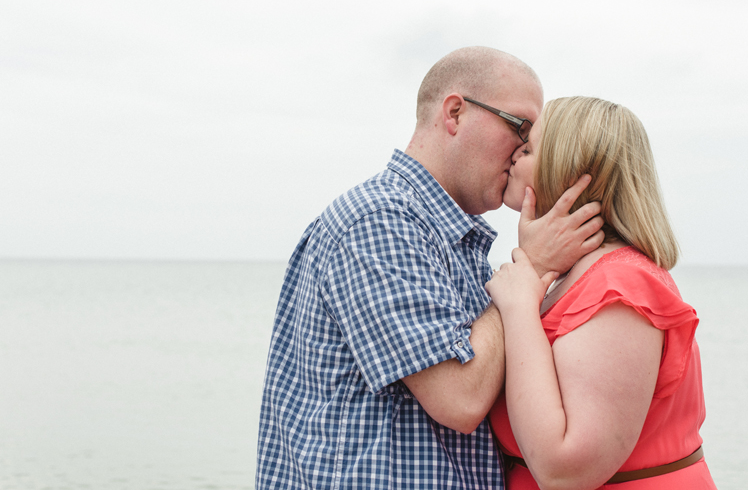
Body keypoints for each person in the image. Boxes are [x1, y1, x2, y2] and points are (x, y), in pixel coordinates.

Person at [255, 48, 604, 489]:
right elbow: (460, 398)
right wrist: (532, 267)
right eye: (521, 127)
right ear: (455, 113)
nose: (525, 150)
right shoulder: (379, 221)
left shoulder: (448, 237)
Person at [486, 96, 716, 489]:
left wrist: (521, 305)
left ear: (568, 168)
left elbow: (566, 470)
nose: (512, 156)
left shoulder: (620, 287)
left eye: (527, 149)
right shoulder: (573, 278)